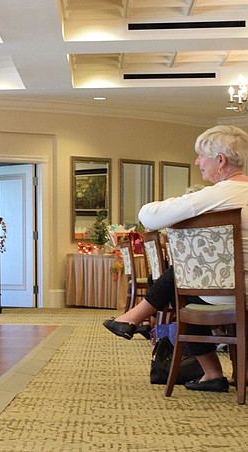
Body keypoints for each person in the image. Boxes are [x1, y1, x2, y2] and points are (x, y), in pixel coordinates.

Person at [102, 125, 248, 393]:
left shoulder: (214, 196)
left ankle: (212, 373)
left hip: (222, 295)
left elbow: (148, 216)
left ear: (220, 160)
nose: (197, 162)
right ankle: (134, 318)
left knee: (182, 286)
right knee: (181, 277)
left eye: (201, 155)